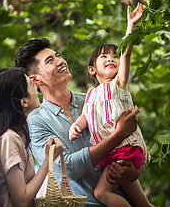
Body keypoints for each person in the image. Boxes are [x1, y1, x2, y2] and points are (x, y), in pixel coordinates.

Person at [15, 37, 144, 207]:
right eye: (50, 61)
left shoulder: (97, 98)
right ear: (36, 80)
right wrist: (119, 134)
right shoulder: (36, 122)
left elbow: (134, 144)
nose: (61, 61)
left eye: (58, 55)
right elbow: (68, 168)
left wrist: (134, 171)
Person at [69, 3, 154, 207]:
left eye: (113, 56)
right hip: (111, 152)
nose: (111, 59)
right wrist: (77, 126)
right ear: (92, 70)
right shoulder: (90, 94)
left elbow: (126, 54)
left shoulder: (118, 84)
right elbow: (86, 117)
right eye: (104, 57)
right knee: (140, 201)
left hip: (124, 148)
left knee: (101, 193)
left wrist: (130, 26)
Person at [0, 67, 63, 207]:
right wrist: (48, 160)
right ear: (24, 102)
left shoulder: (10, 137)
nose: (37, 89)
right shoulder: (10, 139)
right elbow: (21, 201)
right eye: (32, 86)